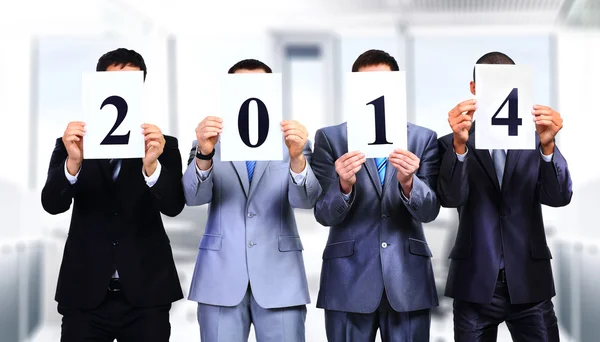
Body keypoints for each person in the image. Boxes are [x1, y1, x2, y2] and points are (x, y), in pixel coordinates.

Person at [41, 48, 185, 342]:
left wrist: (152, 166)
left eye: (130, 84)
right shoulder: (70, 144)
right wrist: (73, 163)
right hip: (85, 293)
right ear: (97, 88)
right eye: (112, 83)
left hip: (146, 294)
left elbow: (173, 206)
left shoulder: (162, 145)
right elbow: (52, 204)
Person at [182, 59, 321, 342]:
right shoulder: (206, 142)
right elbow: (193, 196)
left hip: (280, 279)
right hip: (220, 279)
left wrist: (296, 158)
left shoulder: (294, 142)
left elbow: (307, 201)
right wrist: (205, 154)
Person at [438, 51, 573, 342]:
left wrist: (548, 147)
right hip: (474, 284)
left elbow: (559, 197)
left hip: (529, 282)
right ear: (473, 89)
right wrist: (459, 147)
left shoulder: (536, 136)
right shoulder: (451, 142)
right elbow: (450, 198)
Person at [311, 49, 440, 342]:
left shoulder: (424, 139)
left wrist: (409, 183)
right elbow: (322, 213)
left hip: (408, 279)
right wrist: (343, 185)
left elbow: (430, 211)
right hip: (347, 279)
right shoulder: (330, 139)